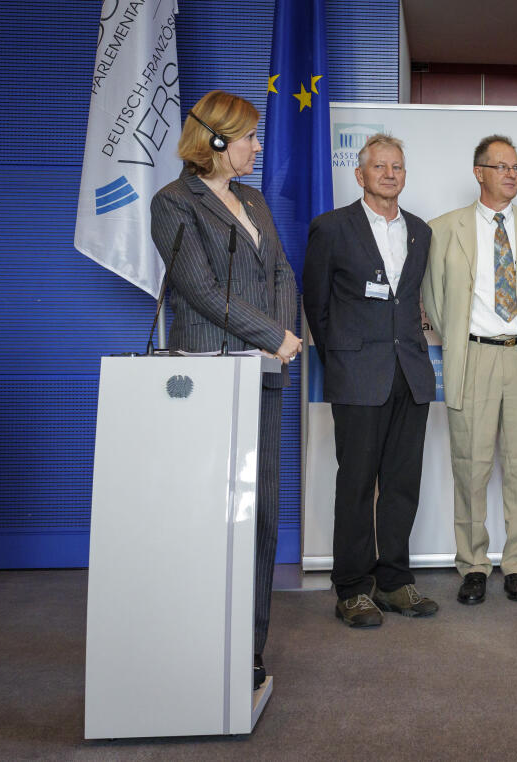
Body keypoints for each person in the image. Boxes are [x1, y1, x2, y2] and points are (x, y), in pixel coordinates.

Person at [150, 90, 302, 690]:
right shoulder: (172, 203)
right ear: (214, 140)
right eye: (248, 137)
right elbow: (199, 291)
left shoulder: (254, 200)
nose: (257, 147)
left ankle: (249, 646)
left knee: (261, 513)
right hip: (209, 374)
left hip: (262, 374)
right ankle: (198, 645)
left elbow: (283, 271)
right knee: (212, 517)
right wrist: (270, 334)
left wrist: (283, 338)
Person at [303, 133, 438, 628]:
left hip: (411, 375)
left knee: (403, 484)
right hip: (357, 374)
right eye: (378, 166)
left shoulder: (421, 231)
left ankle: (395, 581)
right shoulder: (332, 227)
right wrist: (340, 360)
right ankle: (353, 588)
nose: (389, 174)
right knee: (357, 485)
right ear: (359, 175)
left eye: (397, 166)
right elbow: (316, 304)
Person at [424, 135, 517, 606]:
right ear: (478, 172)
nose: (510, 174)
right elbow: (434, 300)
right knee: (470, 466)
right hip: (473, 355)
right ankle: (474, 565)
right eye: (500, 166)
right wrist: (464, 339)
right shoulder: (444, 228)